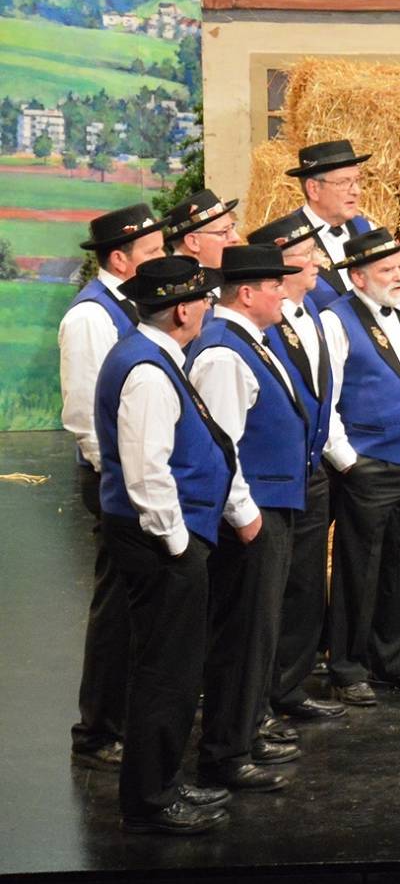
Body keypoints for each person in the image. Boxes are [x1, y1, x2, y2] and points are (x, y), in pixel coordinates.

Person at [96, 256, 235, 834]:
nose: (208, 307)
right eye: (203, 299)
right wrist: (178, 545)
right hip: (159, 543)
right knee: (165, 673)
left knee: (172, 669)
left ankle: (163, 783)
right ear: (181, 310)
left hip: (166, 539)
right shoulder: (148, 372)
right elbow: (147, 473)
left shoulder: (154, 356)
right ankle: (150, 800)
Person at [187, 244, 313, 795]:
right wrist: (245, 516)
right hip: (252, 514)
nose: (283, 293)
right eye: (274, 285)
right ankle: (225, 753)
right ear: (246, 293)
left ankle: (246, 730)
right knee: (240, 634)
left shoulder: (248, 341)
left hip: (271, 506)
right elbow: (222, 446)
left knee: (259, 630)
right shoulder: (223, 354)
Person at [321, 227, 400, 701]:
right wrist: (347, 461)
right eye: (386, 270)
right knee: (361, 567)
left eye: (399, 267)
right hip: (370, 462)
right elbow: (326, 399)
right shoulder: (337, 320)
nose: (398, 276)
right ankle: (349, 667)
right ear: (358, 277)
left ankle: (394, 661)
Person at [62, 204, 167, 772]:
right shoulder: (91, 317)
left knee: (143, 604)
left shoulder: (134, 305)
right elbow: (85, 416)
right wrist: (122, 485)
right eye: (153, 252)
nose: (163, 259)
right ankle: (98, 730)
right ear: (121, 260)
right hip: (116, 480)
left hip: (141, 477)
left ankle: (131, 718)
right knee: (118, 607)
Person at [248, 211, 348, 726]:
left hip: (311, 469)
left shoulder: (320, 318)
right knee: (270, 589)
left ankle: (291, 685)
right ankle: (258, 699)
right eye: (306, 255)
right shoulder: (262, 328)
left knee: (308, 582)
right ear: (281, 267)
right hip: (272, 477)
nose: (317, 263)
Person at [285, 139, 376, 308]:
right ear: (313, 189)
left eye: (357, 181)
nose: (356, 191)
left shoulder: (367, 229)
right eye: (343, 182)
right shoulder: (288, 240)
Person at [163, 189, 241, 269]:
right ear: (193, 242)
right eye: (224, 232)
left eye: (232, 227)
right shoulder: (186, 276)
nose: (236, 238)